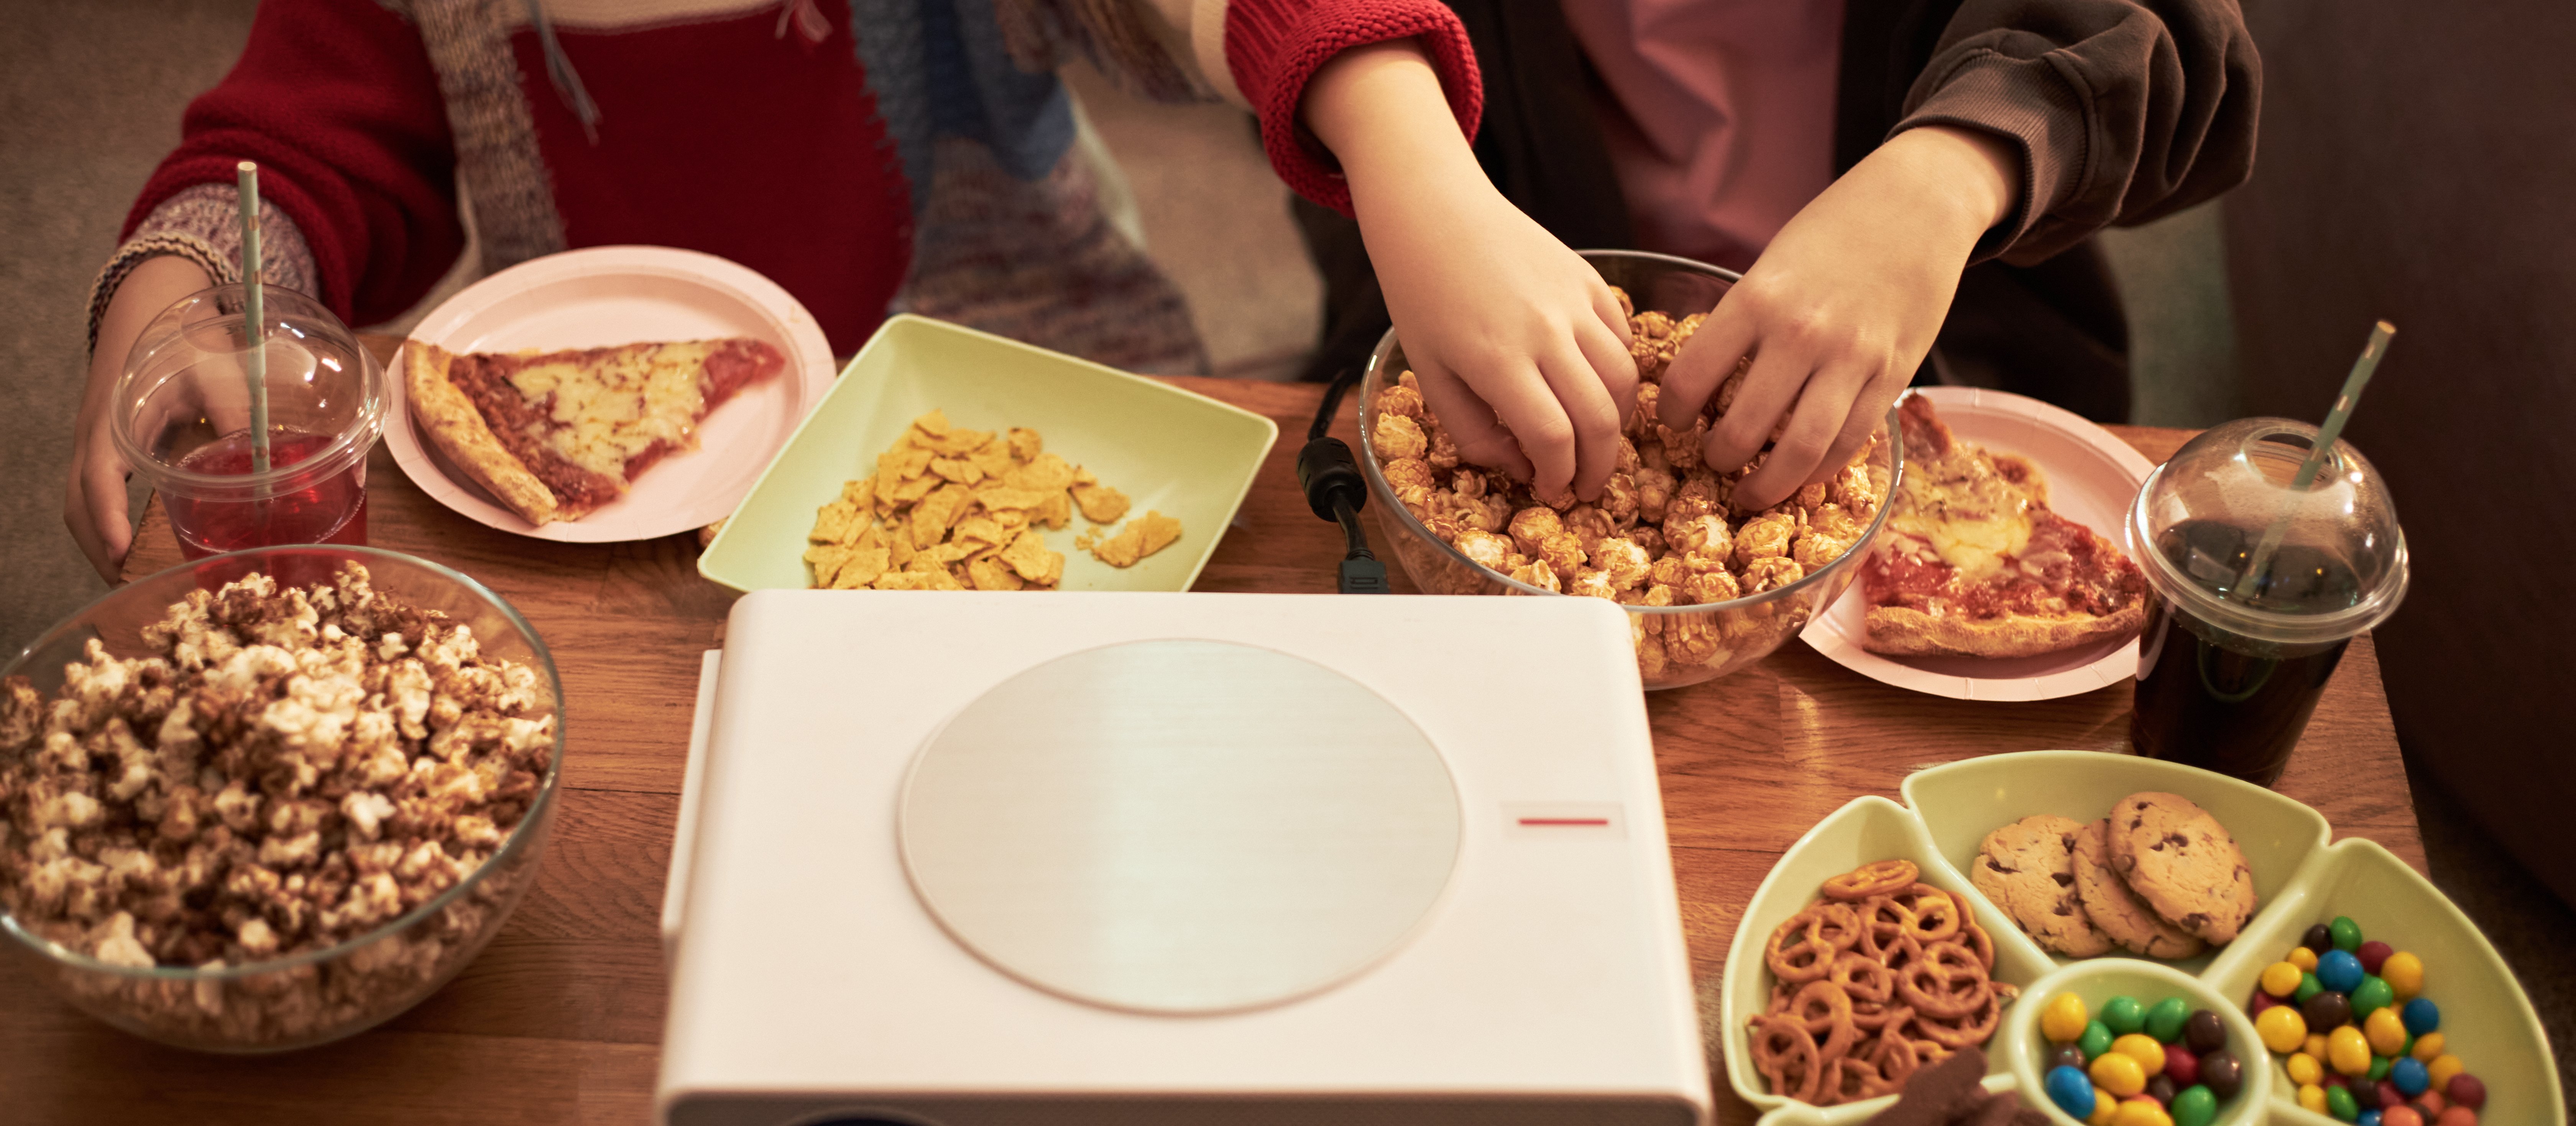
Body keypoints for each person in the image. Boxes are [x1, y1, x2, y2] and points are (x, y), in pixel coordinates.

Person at [67, 0, 1549, 580]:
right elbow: (285, 160)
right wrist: (192, 285)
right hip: (612, 536)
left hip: (1043, 448)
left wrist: (1397, 131)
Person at [1295, 0, 2261, 513]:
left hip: (1953, 349)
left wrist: (1957, 168)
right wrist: (1392, 128)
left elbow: (2178, 33)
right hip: (1467, 319)